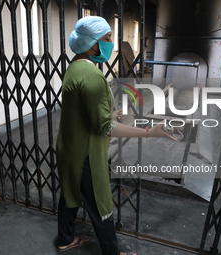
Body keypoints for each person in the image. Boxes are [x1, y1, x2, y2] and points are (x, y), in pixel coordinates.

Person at [56, 16, 177, 255]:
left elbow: (85, 114)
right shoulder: (92, 76)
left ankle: (65, 238)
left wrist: (109, 115)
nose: (112, 44)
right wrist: (148, 132)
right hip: (86, 154)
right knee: (101, 204)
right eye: (108, 38)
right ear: (92, 44)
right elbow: (104, 128)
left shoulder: (75, 67)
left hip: (69, 146)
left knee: (70, 192)